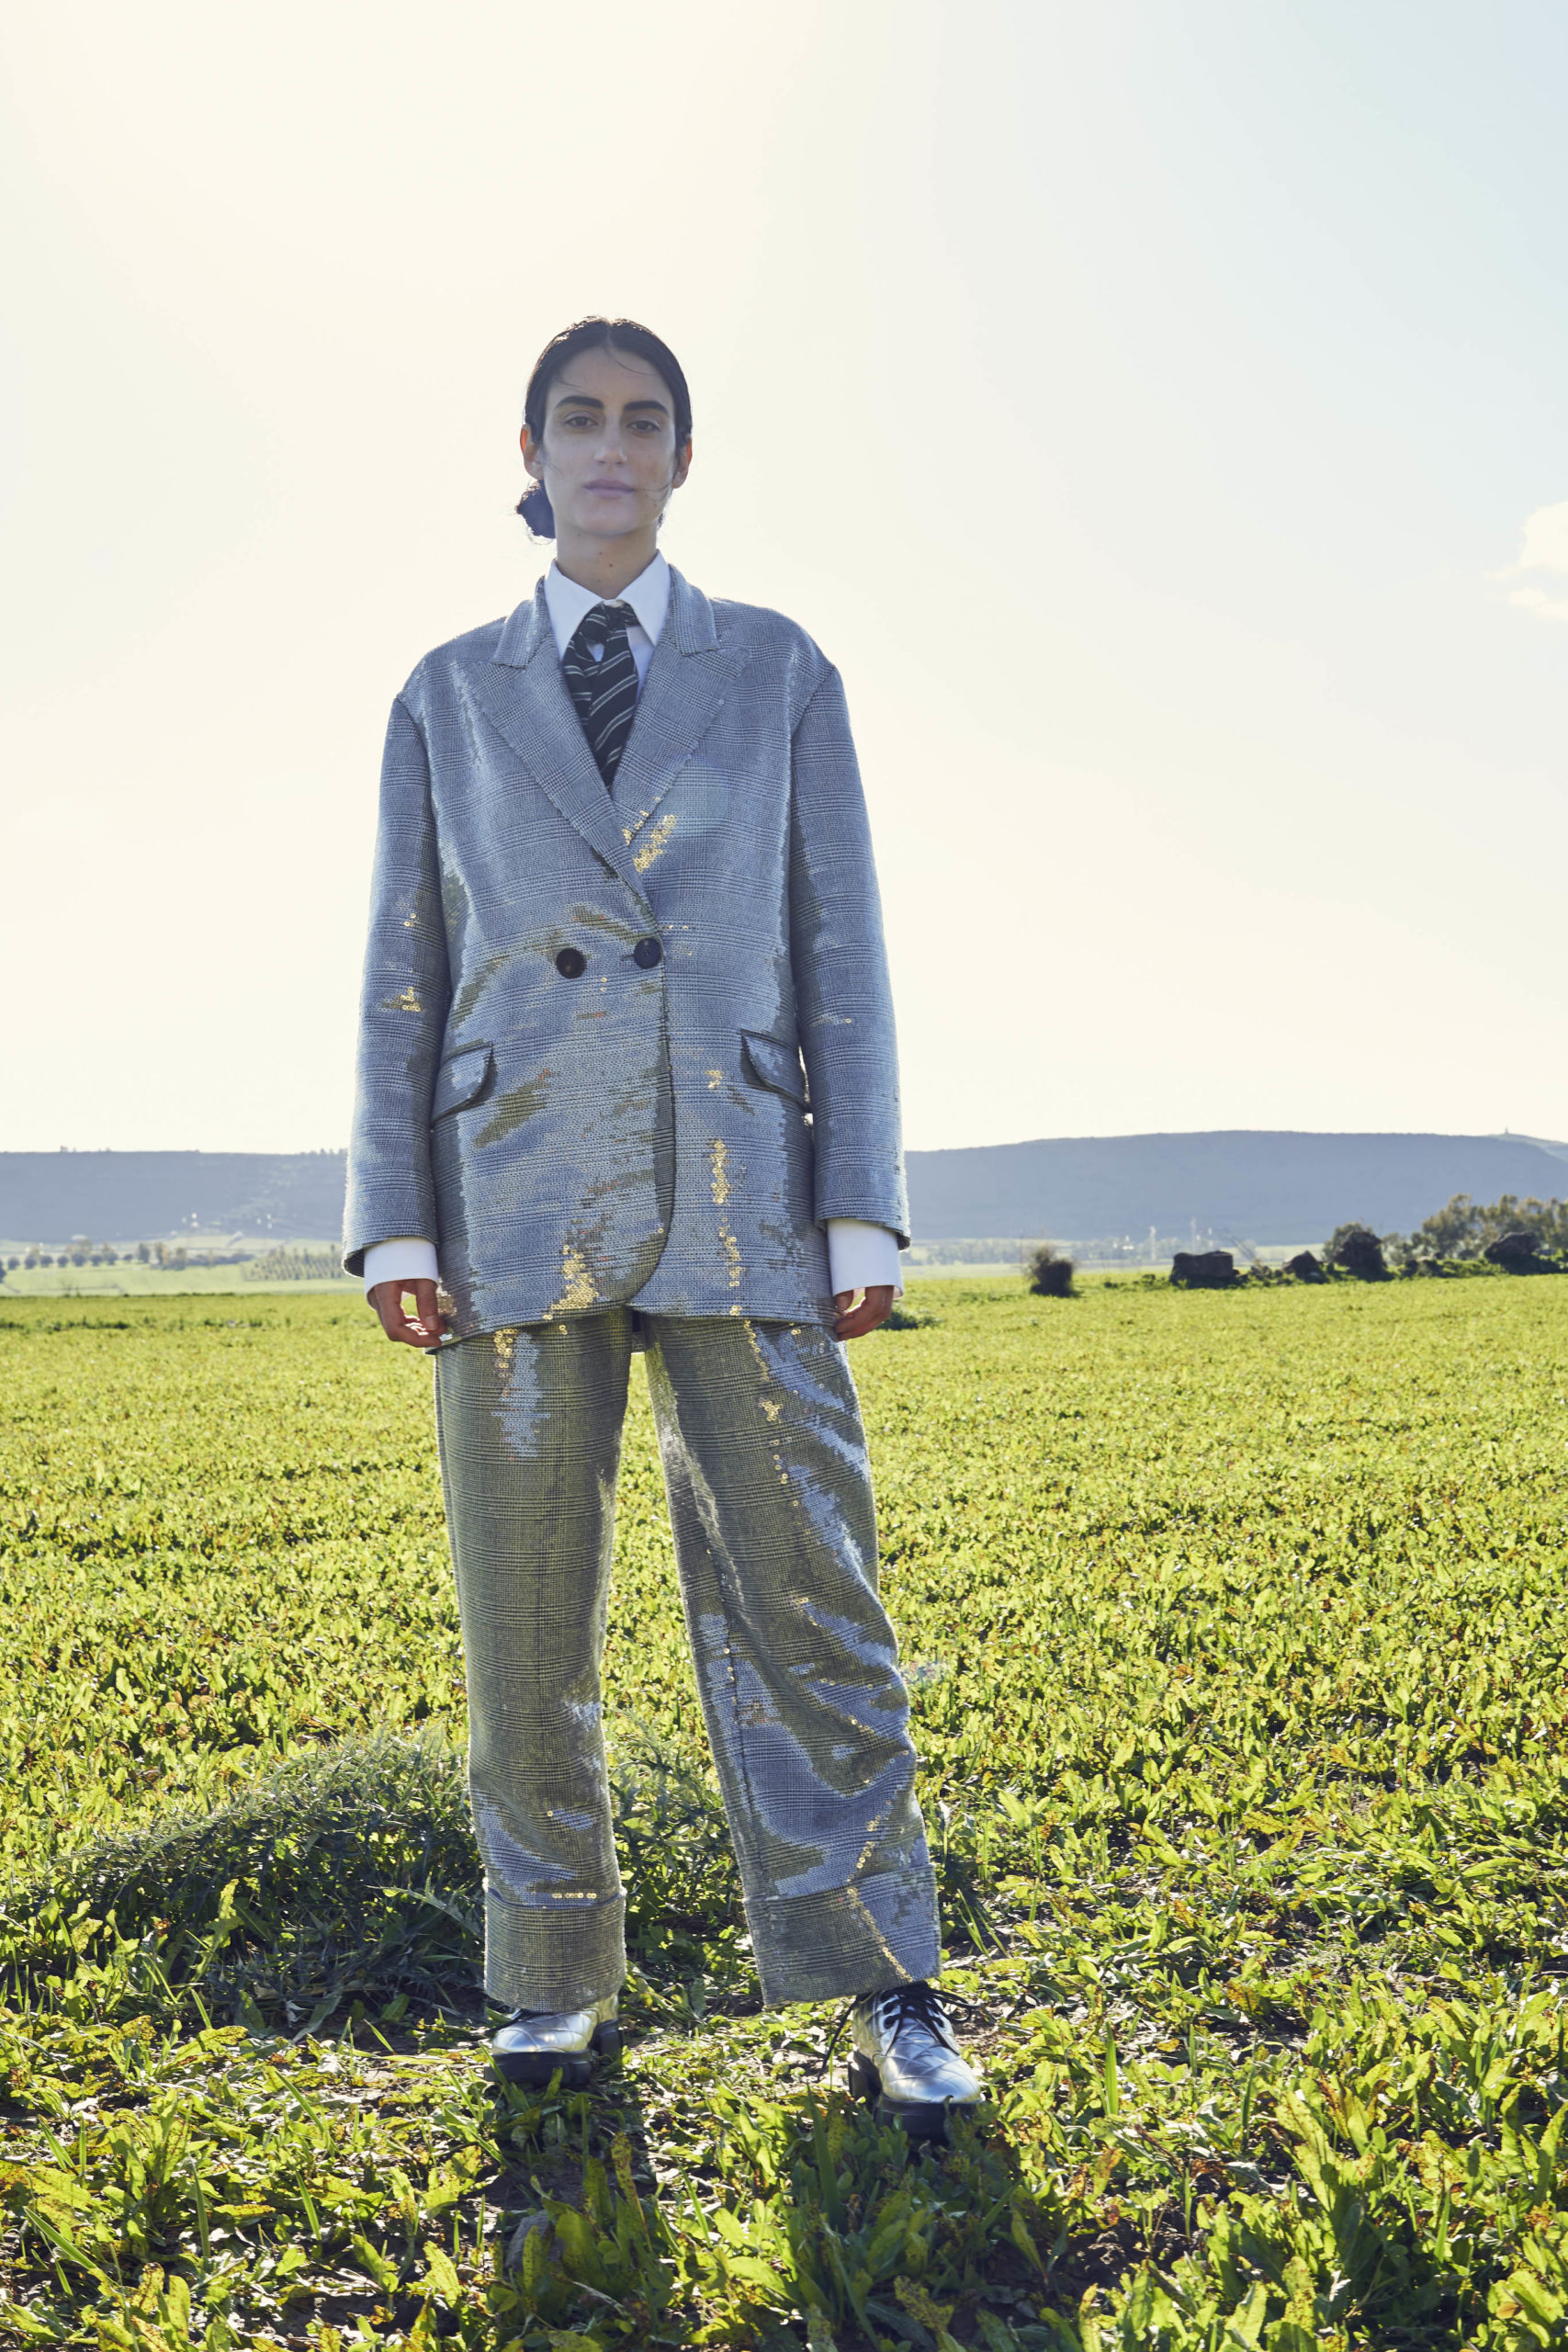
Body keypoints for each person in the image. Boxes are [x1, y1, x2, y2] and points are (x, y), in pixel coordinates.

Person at [344, 316, 981, 2138]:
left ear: (682, 459)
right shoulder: (445, 691)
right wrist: (394, 1222)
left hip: (740, 1188)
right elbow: (401, 963)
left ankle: (887, 1979)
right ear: (532, 454)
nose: (611, 445)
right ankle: (550, 1977)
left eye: (644, 419)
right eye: (580, 417)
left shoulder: (775, 668)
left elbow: (840, 937)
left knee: (814, 1602)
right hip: (508, 1197)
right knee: (521, 1622)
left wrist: (858, 1196)